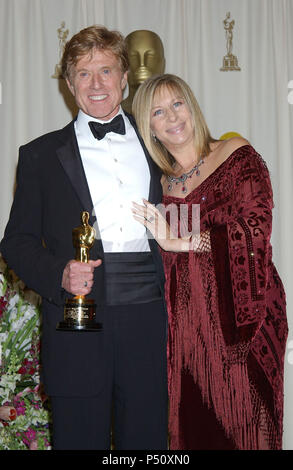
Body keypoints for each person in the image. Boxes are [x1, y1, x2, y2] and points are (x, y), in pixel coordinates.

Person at [0, 26, 168, 450]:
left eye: (106, 70)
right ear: (69, 83)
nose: (96, 84)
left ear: (124, 77)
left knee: (147, 445)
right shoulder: (38, 155)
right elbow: (15, 242)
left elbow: (189, 209)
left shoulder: (159, 142)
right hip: (77, 321)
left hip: (149, 316)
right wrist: (59, 273)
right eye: (83, 73)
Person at [131, 73, 288, 450]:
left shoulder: (235, 154)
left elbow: (255, 229)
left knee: (249, 433)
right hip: (184, 336)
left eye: (177, 104)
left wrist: (179, 241)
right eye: (158, 112)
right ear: (148, 128)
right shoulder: (156, 186)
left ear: (192, 106)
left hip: (241, 326)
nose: (172, 117)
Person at [122, 30, 165, 114]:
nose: (142, 64)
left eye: (150, 56)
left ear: (162, 64)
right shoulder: (114, 113)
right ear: (123, 65)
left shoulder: (176, 113)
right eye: (133, 56)